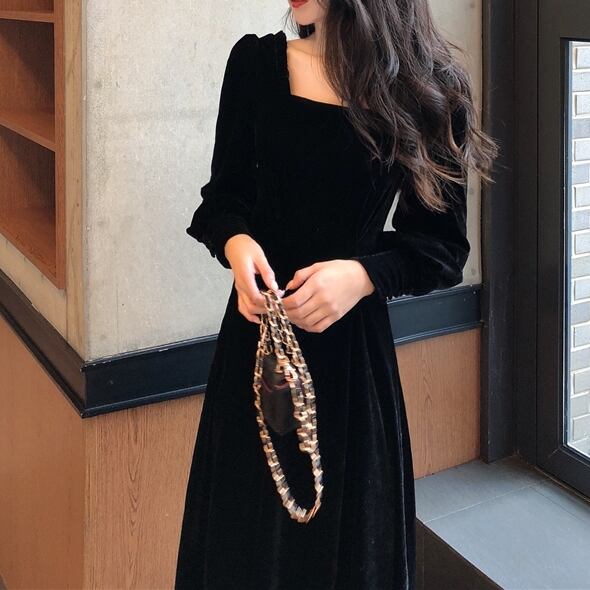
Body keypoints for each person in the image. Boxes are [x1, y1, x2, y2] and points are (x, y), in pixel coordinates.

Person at [175, 1, 498, 588]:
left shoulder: (430, 89)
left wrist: (361, 275)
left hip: (353, 363)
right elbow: (223, 199)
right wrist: (237, 246)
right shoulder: (256, 65)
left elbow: (442, 249)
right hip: (257, 348)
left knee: (349, 553)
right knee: (243, 544)